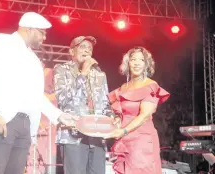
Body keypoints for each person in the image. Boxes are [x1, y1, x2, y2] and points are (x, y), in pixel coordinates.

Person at [0, 12, 78, 174]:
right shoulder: (3, 41)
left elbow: (35, 95)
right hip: (2, 118)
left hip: (24, 123)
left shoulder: (34, 59)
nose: (44, 38)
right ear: (29, 29)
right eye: (42, 32)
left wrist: (58, 115)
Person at [53, 36, 115, 174]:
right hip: (73, 134)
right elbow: (63, 99)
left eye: (89, 48)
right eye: (82, 47)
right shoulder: (62, 70)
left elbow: (106, 104)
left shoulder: (100, 74)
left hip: (97, 136)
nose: (86, 50)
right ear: (72, 52)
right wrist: (83, 73)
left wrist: (112, 117)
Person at [104, 46, 170, 174]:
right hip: (124, 139)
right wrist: (117, 120)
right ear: (128, 63)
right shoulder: (124, 87)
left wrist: (123, 131)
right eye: (133, 59)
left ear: (146, 64)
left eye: (141, 60)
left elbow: (144, 115)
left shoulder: (150, 85)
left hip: (142, 140)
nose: (137, 63)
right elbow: (119, 111)